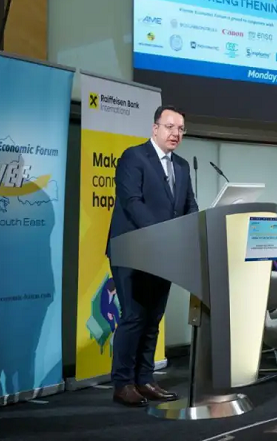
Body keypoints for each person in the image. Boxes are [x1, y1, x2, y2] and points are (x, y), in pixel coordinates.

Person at [107, 105, 198, 407]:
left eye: (181, 129)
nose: (175, 133)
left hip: (164, 253)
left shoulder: (181, 166)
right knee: (134, 316)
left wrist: (193, 227)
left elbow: (189, 205)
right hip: (132, 250)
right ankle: (123, 383)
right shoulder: (134, 157)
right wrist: (163, 234)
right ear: (155, 128)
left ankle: (145, 379)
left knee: (153, 319)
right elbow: (132, 202)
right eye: (170, 127)